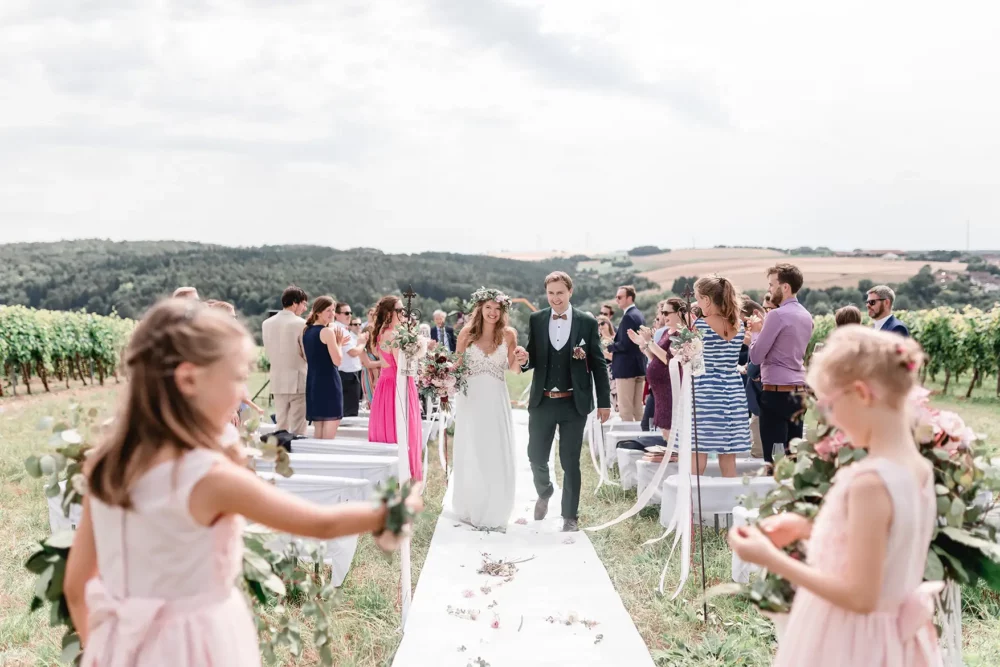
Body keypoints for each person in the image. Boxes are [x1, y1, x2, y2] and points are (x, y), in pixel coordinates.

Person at [63, 299, 421, 666]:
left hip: (122, 646)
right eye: (236, 378)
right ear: (189, 380)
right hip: (199, 647)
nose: (241, 393)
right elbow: (320, 522)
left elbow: (77, 588)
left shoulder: (108, 465)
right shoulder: (208, 477)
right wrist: (386, 513)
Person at [729, 326, 939, 667]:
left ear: (860, 393)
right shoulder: (917, 468)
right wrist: (806, 528)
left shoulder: (869, 482)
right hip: (892, 640)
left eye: (828, 405)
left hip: (852, 641)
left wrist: (769, 557)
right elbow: (889, 543)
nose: (830, 419)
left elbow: (860, 596)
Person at [513, 271, 611, 532]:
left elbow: (599, 365)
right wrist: (525, 361)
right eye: (551, 293)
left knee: (570, 461)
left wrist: (604, 402)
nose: (555, 298)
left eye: (560, 292)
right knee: (535, 455)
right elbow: (534, 355)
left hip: (573, 403)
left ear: (570, 292)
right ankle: (544, 491)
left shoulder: (586, 322)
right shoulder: (537, 319)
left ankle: (569, 515)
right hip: (543, 401)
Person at [452, 288, 520, 530]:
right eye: (488, 307)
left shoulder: (509, 334)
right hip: (471, 399)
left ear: (503, 311)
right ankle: (473, 504)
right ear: (480, 307)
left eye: (497, 308)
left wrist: (519, 360)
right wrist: (438, 374)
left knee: (495, 448)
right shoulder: (466, 333)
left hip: (496, 399)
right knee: (473, 448)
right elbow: (456, 365)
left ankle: (496, 506)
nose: (493, 312)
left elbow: (513, 369)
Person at [749, 264, 814, 471]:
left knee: (774, 460)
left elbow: (756, 356)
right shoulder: (806, 315)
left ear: (785, 287)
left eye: (771, 285)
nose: (769, 290)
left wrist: (756, 333)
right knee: (793, 456)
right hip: (798, 393)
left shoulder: (776, 316)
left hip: (776, 395)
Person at [691, 275, 751, 476]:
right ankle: (729, 504)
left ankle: (693, 504)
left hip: (706, 392)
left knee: (698, 451)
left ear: (707, 300)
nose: (697, 304)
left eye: (699, 299)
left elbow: (692, 361)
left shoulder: (699, 326)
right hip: (732, 392)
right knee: (729, 453)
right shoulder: (739, 326)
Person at [368, 296, 424, 481]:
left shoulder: (381, 333)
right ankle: (404, 473)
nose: (404, 313)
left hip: (385, 384)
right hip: (397, 385)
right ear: (389, 313)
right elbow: (402, 365)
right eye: (400, 310)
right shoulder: (394, 334)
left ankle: (384, 475)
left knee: (387, 424)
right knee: (401, 425)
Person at [629, 298, 687, 443]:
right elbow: (655, 357)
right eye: (662, 312)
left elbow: (668, 359)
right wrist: (643, 345)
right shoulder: (668, 332)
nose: (663, 315)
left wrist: (650, 341)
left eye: (667, 312)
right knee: (664, 429)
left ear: (679, 313)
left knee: (670, 428)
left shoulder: (682, 333)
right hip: (660, 389)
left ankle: (675, 460)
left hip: (670, 386)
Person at [261, 286, 309, 435]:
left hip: (277, 379)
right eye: (303, 304)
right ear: (295, 303)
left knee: (281, 424)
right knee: (298, 427)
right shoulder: (301, 323)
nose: (305, 308)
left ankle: (280, 455)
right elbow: (306, 354)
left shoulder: (266, 324)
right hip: (298, 379)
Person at [301, 297, 347, 440]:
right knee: (329, 433)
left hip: (314, 382)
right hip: (329, 382)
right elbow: (338, 361)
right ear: (318, 312)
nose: (332, 314)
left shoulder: (307, 331)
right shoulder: (327, 332)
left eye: (333, 310)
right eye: (329, 310)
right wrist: (339, 344)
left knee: (318, 431)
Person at [608, 285, 646, 421]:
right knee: (637, 410)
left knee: (626, 411)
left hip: (626, 370)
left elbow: (625, 344)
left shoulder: (628, 317)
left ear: (629, 298)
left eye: (619, 297)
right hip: (638, 366)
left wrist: (609, 346)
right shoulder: (639, 315)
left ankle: (628, 441)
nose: (617, 300)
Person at [333, 301, 367, 418]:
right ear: (336, 315)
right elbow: (352, 352)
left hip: (345, 373)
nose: (349, 315)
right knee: (350, 413)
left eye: (350, 313)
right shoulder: (341, 330)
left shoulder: (340, 329)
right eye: (346, 313)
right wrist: (362, 344)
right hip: (348, 376)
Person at [597, 315, 619, 413]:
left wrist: (604, 353)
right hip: (603, 371)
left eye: (602, 323)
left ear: (608, 324)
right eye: (598, 325)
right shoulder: (597, 341)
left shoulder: (616, 338)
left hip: (614, 370)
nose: (600, 326)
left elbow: (615, 357)